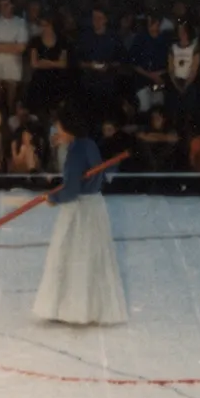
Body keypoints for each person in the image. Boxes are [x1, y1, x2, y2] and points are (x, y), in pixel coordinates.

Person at [33, 110, 126, 326]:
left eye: (60, 129)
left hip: (79, 210)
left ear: (69, 129)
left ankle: (71, 309)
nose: (58, 133)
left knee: (70, 255)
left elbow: (72, 189)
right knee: (91, 258)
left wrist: (53, 197)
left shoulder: (75, 152)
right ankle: (90, 309)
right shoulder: (89, 144)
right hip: (94, 206)